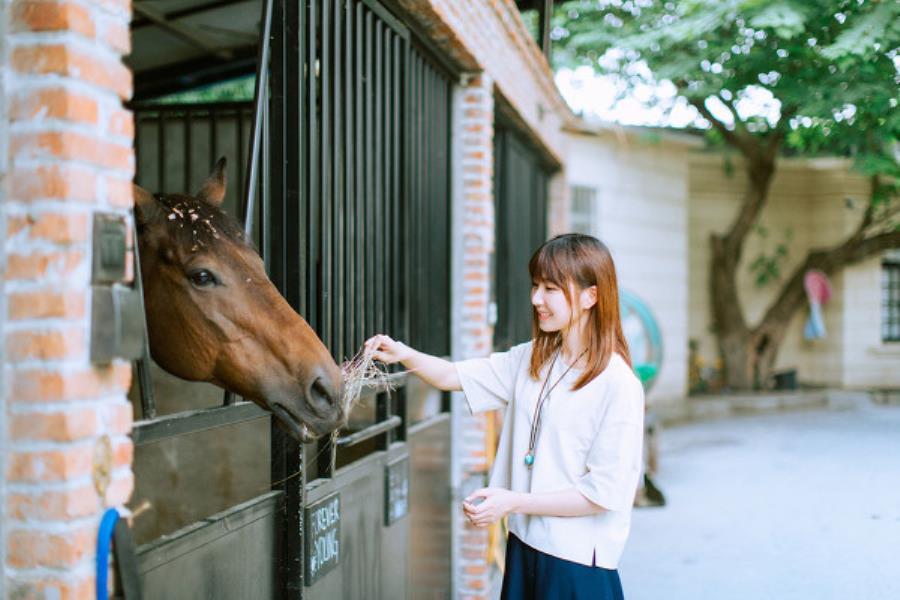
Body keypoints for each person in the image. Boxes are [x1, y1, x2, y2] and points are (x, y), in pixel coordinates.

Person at [366, 233, 644, 600]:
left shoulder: (617, 383)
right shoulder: (535, 358)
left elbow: (602, 495)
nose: (536, 299)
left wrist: (513, 501)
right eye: (535, 286)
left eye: (550, 289)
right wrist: (403, 353)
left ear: (591, 295)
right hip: (525, 544)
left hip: (576, 563)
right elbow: (453, 376)